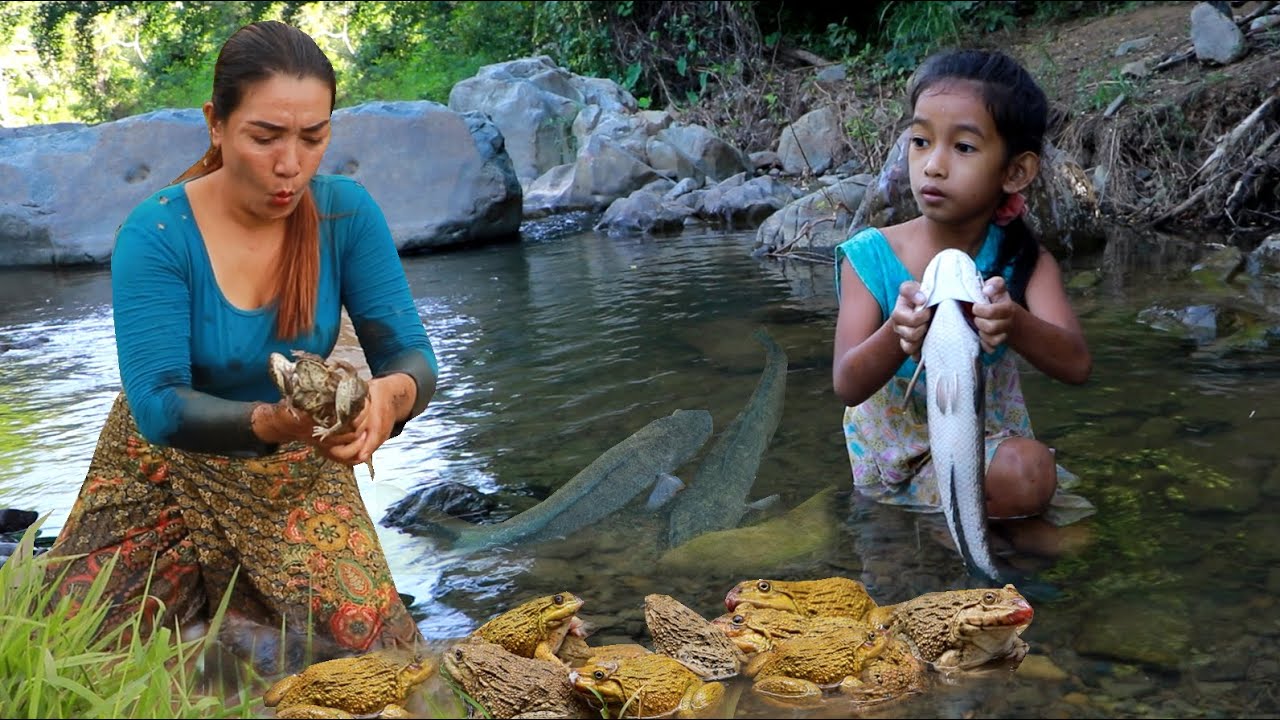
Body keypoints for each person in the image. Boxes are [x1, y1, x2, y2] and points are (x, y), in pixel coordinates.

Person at [43, 20, 437, 669]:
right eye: (265, 136)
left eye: (314, 138)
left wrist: (389, 400)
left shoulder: (346, 215)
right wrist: (269, 420)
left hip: (295, 473)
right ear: (216, 124)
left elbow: (413, 359)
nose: (291, 165)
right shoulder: (157, 233)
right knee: (80, 658)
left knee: (380, 664)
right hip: (162, 466)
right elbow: (159, 405)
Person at [831, 49, 1095, 551]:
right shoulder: (870, 256)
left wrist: (1013, 322)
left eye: (964, 148)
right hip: (901, 463)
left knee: (1076, 542)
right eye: (921, 141)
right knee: (1031, 484)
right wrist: (898, 332)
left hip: (988, 448)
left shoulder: (1025, 262)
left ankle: (972, 546)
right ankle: (955, 539)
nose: (933, 165)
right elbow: (847, 383)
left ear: (1015, 173)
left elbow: (1077, 365)